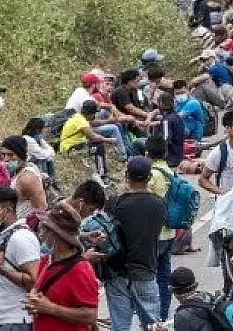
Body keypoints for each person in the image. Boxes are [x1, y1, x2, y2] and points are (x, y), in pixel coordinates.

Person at [105, 157, 166, 331]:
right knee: (152, 325)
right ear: (149, 178)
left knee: (120, 326)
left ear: (127, 176)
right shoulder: (159, 205)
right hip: (146, 270)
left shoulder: (116, 204)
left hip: (117, 272)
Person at [27, 206, 99, 331]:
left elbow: (90, 316)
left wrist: (50, 308)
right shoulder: (47, 261)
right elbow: (38, 288)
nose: (41, 234)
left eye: (44, 229)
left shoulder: (81, 270)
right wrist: (33, 298)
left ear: (55, 234)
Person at [0, 187, 41, 331]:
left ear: (7, 211)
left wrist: (0, 269)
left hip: (17, 319)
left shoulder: (21, 238)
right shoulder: (5, 236)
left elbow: (35, 281)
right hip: (3, 319)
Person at [145, 137, 177, 321]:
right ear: (165, 153)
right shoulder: (169, 172)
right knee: (164, 279)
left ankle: (153, 318)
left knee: (150, 279)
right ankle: (163, 316)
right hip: (169, 231)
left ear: (147, 154)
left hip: (155, 234)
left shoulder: (153, 174)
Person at [1, 136, 48, 222]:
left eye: (11, 155)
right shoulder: (18, 171)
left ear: (21, 154)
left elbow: (41, 208)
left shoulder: (27, 178)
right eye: (3, 155)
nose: (6, 159)